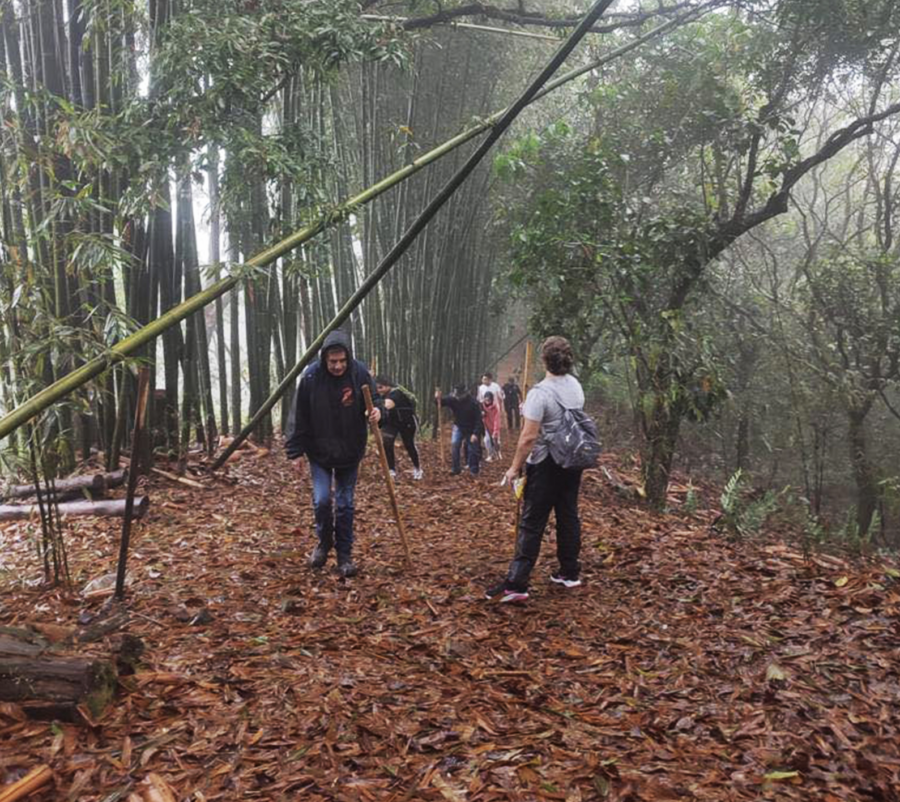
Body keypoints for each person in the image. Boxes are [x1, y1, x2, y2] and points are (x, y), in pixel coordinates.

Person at [487, 336, 586, 603]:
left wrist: (514, 468)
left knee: (532, 522)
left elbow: (528, 438)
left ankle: (517, 583)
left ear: (544, 360)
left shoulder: (540, 393)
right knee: (568, 515)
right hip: (572, 460)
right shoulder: (576, 387)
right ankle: (569, 572)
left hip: (545, 464)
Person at [284, 330, 382, 577]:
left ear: (348, 357)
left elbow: (377, 402)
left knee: (345, 504)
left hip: (350, 450)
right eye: (332, 362)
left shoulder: (360, 373)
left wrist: (378, 413)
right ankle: (324, 541)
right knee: (322, 500)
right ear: (324, 358)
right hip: (319, 451)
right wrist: (295, 452)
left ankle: (344, 555)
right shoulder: (310, 377)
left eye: (342, 361)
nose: (338, 366)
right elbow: (299, 416)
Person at [375, 376, 423, 481]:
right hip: (391, 423)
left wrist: (375, 407)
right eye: (377, 388)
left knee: (409, 444)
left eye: (381, 387)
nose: (379, 390)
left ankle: (417, 468)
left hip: (406, 422)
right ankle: (391, 470)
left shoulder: (396, 393)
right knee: (387, 443)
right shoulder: (382, 395)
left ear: (388, 386)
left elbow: (388, 405)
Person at [436, 384, 484, 476]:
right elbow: (440, 403)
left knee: (472, 449)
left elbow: (479, 420)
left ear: (465, 394)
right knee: (455, 445)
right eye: (456, 395)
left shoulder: (473, 403)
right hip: (458, 426)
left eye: (459, 396)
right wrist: (438, 397)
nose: (458, 397)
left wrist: (475, 434)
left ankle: (474, 470)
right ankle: (456, 468)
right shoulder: (453, 399)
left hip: (471, 428)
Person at [481, 390, 502, 461]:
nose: (487, 401)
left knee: (496, 441)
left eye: (489, 400)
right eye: (486, 399)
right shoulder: (481, 406)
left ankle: (498, 452)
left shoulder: (496, 407)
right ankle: (490, 454)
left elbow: (497, 419)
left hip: (494, 426)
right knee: (487, 440)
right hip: (486, 426)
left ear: (492, 399)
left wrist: (495, 431)